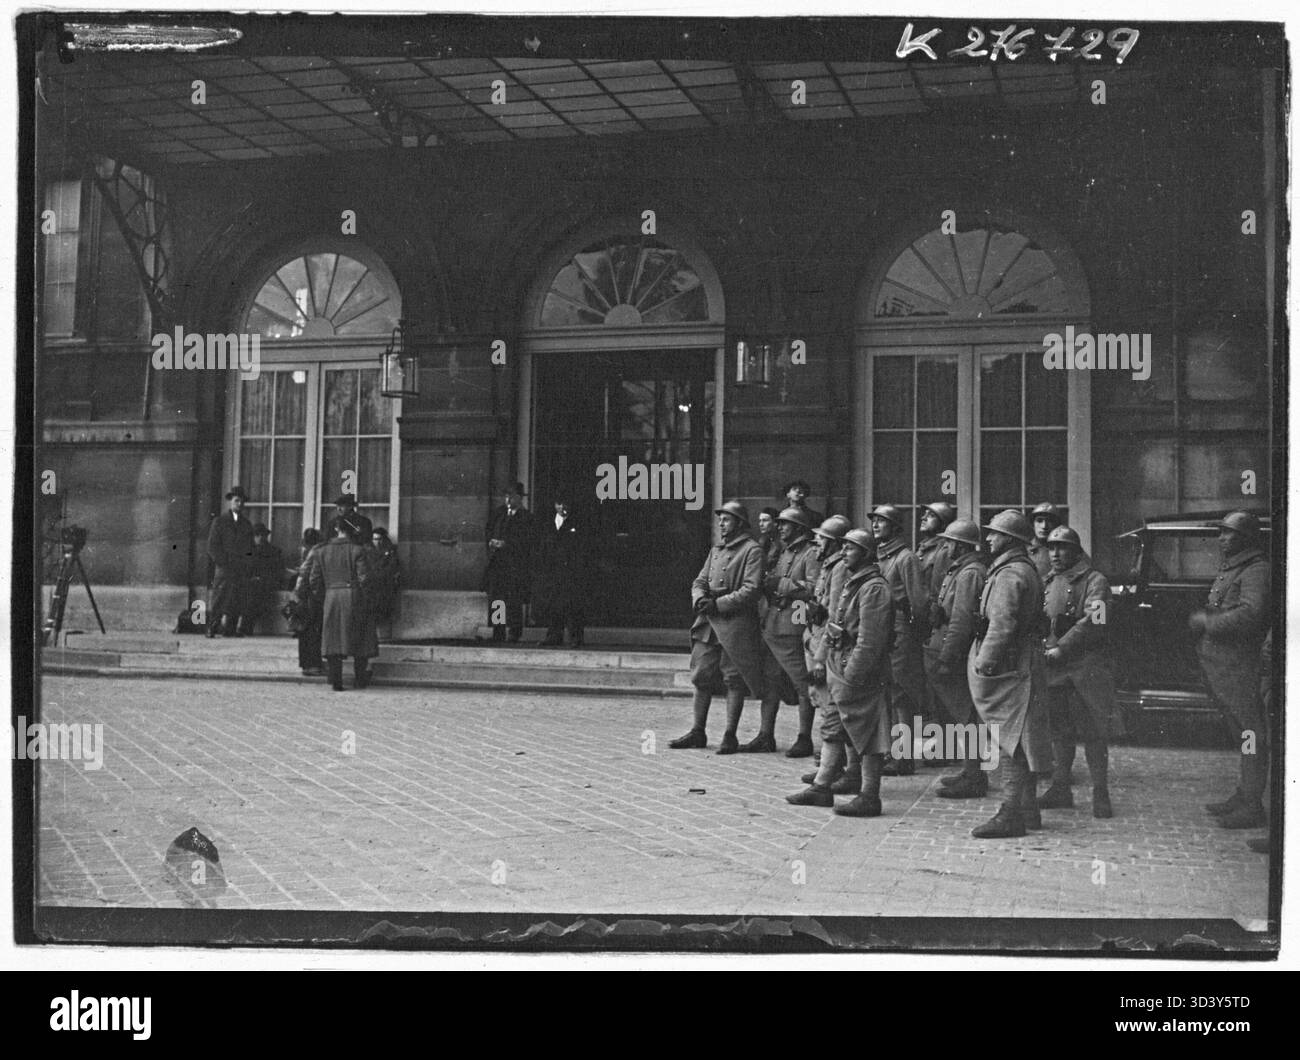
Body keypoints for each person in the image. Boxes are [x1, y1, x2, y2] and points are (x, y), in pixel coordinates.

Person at [786, 528, 894, 817]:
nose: (844, 552)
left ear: (867, 553)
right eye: (843, 546)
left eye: (851, 548)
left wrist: (852, 675)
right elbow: (835, 624)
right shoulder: (853, 582)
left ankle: (870, 795)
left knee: (869, 732)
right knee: (833, 725)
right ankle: (822, 787)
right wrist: (822, 659)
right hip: (839, 664)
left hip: (858, 672)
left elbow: (870, 641)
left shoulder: (874, 588)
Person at [968, 510, 1052, 838]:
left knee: (1011, 739)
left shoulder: (1009, 574)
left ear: (1010, 540)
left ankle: (1011, 812)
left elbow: (1002, 623)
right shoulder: (1020, 568)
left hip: (1012, 665)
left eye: (995, 534)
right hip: (1022, 661)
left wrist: (984, 662)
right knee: (1020, 735)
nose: (988, 538)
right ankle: (1028, 809)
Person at [1190, 511, 1270, 830]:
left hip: (1241, 666)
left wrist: (1208, 623)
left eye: (1229, 533)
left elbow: (1252, 614)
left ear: (1247, 537)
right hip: (1224, 666)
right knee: (1243, 734)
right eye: (1222, 532)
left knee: (1251, 733)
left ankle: (1252, 804)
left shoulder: (1257, 570)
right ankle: (1245, 793)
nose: (1222, 538)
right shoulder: (1237, 566)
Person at [669, 501, 768, 754]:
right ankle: (697, 731)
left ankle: (729, 735)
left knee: (733, 680)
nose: (721, 524)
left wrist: (719, 604)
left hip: (736, 625)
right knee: (701, 676)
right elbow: (700, 579)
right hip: (708, 624)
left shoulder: (752, 551)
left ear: (739, 523)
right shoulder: (717, 549)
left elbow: (751, 589)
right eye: (720, 519)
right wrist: (699, 597)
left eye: (726, 519)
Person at [1037, 525, 1118, 818]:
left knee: (1094, 732)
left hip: (1085, 668)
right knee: (1059, 731)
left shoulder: (1096, 581)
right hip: (1055, 669)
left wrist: (1063, 648)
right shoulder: (1047, 581)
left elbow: (1095, 619)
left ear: (1076, 550)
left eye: (1062, 548)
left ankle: (1100, 792)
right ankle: (1060, 788)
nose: (1055, 554)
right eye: (1051, 548)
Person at [925, 519, 992, 799]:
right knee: (962, 715)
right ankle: (970, 769)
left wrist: (947, 658)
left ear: (962, 545)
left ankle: (975, 776)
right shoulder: (962, 570)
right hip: (946, 648)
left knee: (967, 715)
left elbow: (961, 621)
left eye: (950, 542)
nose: (945, 546)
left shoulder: (970, 573)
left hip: (955, 653)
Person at [750, 507, 821, 755]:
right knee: (770, 682)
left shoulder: (811, 553)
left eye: (785, 524)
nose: (780, 527)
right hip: (773, 623)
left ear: (799, 528)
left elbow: (814, 587)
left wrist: (780, 584)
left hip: (793, 622)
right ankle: (765, 734)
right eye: (779, 523)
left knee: (802, 682)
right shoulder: (783, 551)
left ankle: (804, 737)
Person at [870, 503, 928, 773]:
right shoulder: (880, 556)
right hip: (882, 629)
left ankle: (904, 757)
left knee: (902, 693)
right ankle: (892, 750)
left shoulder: (905, 558)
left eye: (882, 521)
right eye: (874, 520)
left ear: (894, 526)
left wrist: (915, 634)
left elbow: (918, 601)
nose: (876, 525)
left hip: (901, 629)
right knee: (887, 691)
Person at [799, 515, 854, 786]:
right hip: (815, 637)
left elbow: (835, 615)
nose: (816, 542)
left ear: (832, 543)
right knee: (820, 701)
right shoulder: (828, 565)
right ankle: (827, 763)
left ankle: (834, 767)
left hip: (826, 643)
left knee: (831, 706)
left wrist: (821, 656)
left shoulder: (840, 568)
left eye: (821, 538)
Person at [307, 520, 379, 691]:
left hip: (331, 596)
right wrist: (369, 597)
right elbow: (364, 578)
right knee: (361, 638)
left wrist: (322, 597)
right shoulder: (357, 550)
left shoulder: (321, 551)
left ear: (336, 529)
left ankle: (336, 680)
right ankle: (360, 679)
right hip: (354, 596)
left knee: (333, 639)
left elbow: (314, 580)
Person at [483, 482, 535, 644]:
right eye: (506, 496)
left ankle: (514, 632)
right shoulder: (499, 514)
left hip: (515, 564)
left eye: (511, 496)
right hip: (498, 563)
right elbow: (489, 530)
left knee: (514, 599)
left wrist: (507, 544)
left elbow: (527, 541)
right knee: (497, 599)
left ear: (519, 498)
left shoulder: (526, 517)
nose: (508, 500)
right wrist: (491, 542)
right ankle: (498, 631)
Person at [535, 497, 588, 647]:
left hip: (571, 572)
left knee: (573, 605)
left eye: (565, 504)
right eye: (559, 504)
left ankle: (575, 637)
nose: (562, 507)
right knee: (553, 605)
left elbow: (581, 547)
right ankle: (553, 635)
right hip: (552, 571)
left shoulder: (577, 523)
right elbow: (542, 546)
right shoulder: (548, 523)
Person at [206, 485, 255, 638]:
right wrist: (223, 561)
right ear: (231, 501)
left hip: (240, 568)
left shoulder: (246, 525)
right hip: (225, 567)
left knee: (237, 598)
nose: (239, 504)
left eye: (242, 502)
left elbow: (250, 548)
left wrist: (247, 563)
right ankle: (212, 627)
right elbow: (212, 546)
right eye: (236, 501)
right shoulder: (220, 522)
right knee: (220, 597)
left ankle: (230, 629)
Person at [241, 523, 287, 635]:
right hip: (251, 583)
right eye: (257, 535)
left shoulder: (274, 552)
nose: (260, 538)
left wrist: (263, 578)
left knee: (254, 592)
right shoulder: (248, 552)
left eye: (263, 535)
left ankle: (245, 627)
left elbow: (278, 571)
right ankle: (240, 626)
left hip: (268, 583)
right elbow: (244, 570)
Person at [292, 528, 325, 676]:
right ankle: (312, 664)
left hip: (305, 597)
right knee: (312, 632)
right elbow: (308, 576)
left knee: (306, 632)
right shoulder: (318, 552)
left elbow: (303, 575)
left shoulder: (310, 553)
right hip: (311, 598)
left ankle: (308, 664)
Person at [369, 527, 401, 640]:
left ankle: (385, 636)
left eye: (379, 539)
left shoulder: (390, 550)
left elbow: (393, 566)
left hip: (385, 587)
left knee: (385, 613)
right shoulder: (367, 550)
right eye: (374, 539)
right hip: (372, 587)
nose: (377, 542)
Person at [1026, 502, 1062, 581]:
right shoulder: (1023, 550)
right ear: (1033, 524)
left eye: (1049, 521)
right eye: (1039, 521)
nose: (1044, 526)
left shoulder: (1067, 549)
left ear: (1056, 525)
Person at [756, 507, 783, 571]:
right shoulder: (762, 540)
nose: (761, 524)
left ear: (775, 523)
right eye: (760, 521)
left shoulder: (782, 543)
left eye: (765, 520)